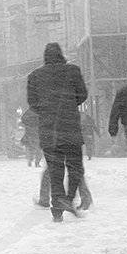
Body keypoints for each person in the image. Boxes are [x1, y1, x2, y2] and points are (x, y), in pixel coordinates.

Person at [27, 42, 89, 223]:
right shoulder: (73, 71)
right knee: (75, 167)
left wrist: (48, 110)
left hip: (49, 130)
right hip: (70, 127)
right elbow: (82, 95)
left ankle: (57, 209)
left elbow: (33, 103)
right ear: (61, 54)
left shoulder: (35, 76)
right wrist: (68, 104)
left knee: (55, 170)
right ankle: (68, 198)